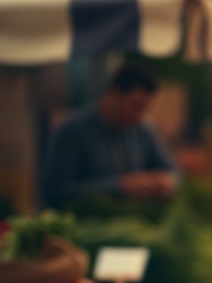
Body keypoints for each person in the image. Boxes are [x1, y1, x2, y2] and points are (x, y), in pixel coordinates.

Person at [40, 61, 179, 210]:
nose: (139, 116)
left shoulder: (143, 132)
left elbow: (175, 173)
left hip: (131, 224)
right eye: (135, 106)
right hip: (84, 226)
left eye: (145, 109)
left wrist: (167, 182)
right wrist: (119, 187)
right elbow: (55, 192)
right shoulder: (72, 131)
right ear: (114, 93)